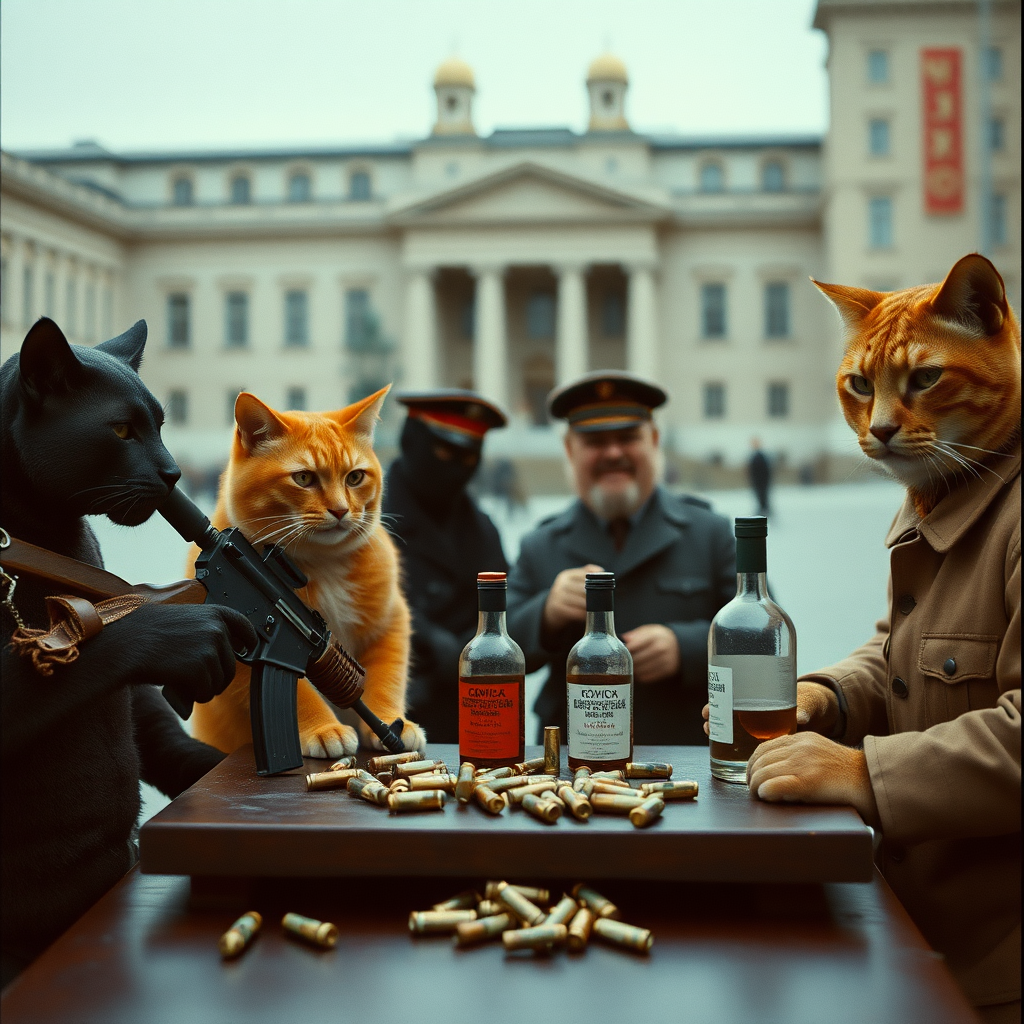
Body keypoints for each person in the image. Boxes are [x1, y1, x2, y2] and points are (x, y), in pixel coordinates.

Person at [506, 371, 736, 745]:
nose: (613, 453)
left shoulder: (709, 533)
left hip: (685, 754)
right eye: (595, 441)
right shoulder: (540, 543)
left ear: (655, 441)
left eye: (628, 438)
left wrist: (687, 647)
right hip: (574, 763)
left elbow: (760, 635)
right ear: (569, 449)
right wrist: (545, 612)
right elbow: (496, 650)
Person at [382, 390, 508, 743]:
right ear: (413, 442)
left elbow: (503, 607)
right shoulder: (364, 518)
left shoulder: (482, 528)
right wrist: (428, 638)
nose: (454, 468)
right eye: (442, 452)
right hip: (390, 725)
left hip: (471, 724)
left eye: (469, 457)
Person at [748, 437, 771, 516]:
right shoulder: (756, 456)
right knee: (761, 498)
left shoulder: (760, 456)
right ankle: (763, 511)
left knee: (762, 498)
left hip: (761, 482)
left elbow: (765, 471)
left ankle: (764, 512)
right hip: (759, 482)